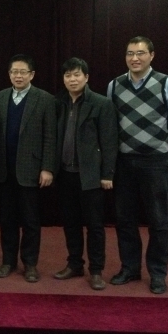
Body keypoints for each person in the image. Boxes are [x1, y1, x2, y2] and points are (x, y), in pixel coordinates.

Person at [107, 36, 168, 294]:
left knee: (158, 220)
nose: (135, 58)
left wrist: (155, 143)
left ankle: (158, 274)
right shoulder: (114, 85)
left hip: (156, 162)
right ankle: (129, 268)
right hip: (124, 161)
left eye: (140, 53)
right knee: (124, 219)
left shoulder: (167, 83)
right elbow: (112, 122)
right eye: (130, 53)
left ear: (152, 55)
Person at [53, 57, 118, 291]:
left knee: (94, 226)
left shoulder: (101, 104)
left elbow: (109, 141)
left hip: (91, 176)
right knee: (70, 223)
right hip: (65, 174)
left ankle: (96, 271)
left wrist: (107, 174)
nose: (72, 79)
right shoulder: (58, 102)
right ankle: (74, 264)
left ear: (86, 77)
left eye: (77, 75)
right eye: (68, 75)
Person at [0, 54, 56, 283]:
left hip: (31, 169)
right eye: (14, 72)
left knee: (30, 220)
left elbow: (50, 136)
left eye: (23, 72)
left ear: (32, 74)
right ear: (9, 74)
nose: (18, 76)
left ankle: (30, 264)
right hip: (4, 169)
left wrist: (47, 167)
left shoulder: (45, 99)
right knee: (7, 219)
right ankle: (8, 261)